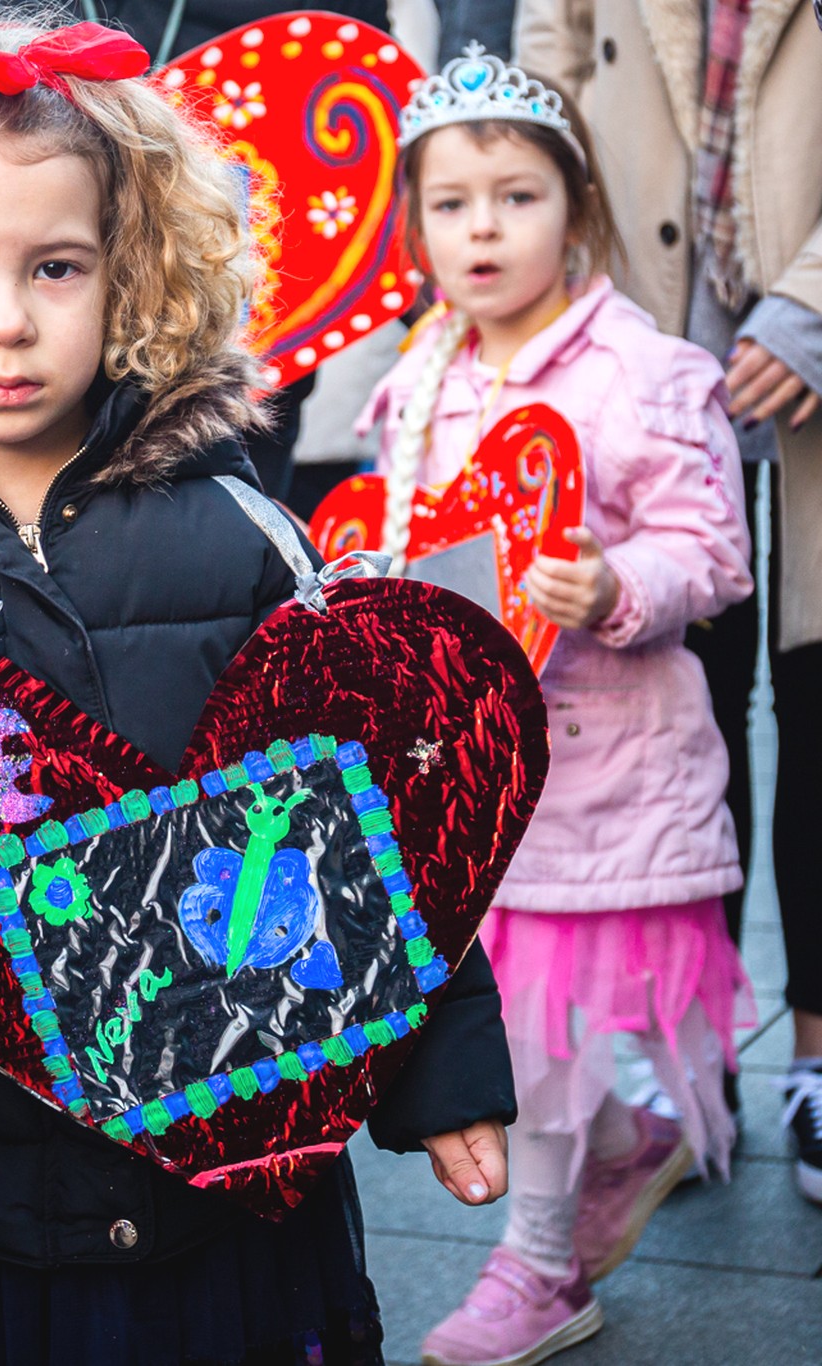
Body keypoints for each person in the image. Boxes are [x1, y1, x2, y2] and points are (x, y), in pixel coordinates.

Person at [0, 16, 518, 1364]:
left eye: (55, 265)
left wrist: (447, 1065)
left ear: (131, 277)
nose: (6, 318)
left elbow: (365, 830)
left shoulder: (238, 534)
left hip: (227, 1182)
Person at [356, 48, 756, 1366]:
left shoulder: (642, 372)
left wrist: (619, 581)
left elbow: (714, 547)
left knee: (546, 1038)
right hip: (473, 784)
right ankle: (617, 1155)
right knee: (508, 1028)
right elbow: (411, 548)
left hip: (605, 772)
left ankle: (535, 1270)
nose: (482, 228)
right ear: (415, 222)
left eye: (516, 197)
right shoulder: (417, 383)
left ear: (575, 210)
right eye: (452, 202)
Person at [516, 0, 822, 1213]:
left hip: (799, 307)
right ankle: (688, 1063)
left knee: (815, 693)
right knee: (667, 694)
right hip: (638, 329)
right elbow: (548, 78)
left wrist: (810, 305)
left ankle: (812, 1052)